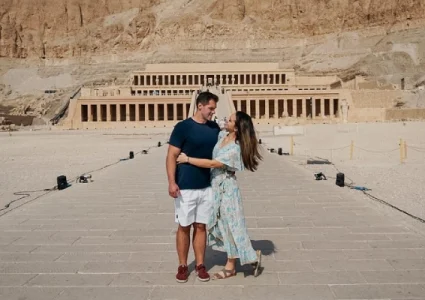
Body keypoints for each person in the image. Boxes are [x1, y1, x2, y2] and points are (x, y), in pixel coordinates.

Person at [177, 111, 263, 280]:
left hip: (227, 188)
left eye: (230, 120)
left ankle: (231, 266)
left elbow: (212, 163)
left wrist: (187, 159)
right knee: (221, 223)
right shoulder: (223, 135)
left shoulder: (235, 147)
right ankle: (251, 255)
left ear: (237, 128)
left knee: (231, 224)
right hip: (215, 185)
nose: (226, 121)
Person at [166, 92, 220, 283]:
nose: (213, 112)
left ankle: (200, 264)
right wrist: (172, 182)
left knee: (201, 226)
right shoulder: (183, 127)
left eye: (214, 109)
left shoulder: (215, 128)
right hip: (186, 185)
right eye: (211, 108)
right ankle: (182, 265)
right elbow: (171, 155)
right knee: (184, 226)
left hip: (207, 185)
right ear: (200, 106)